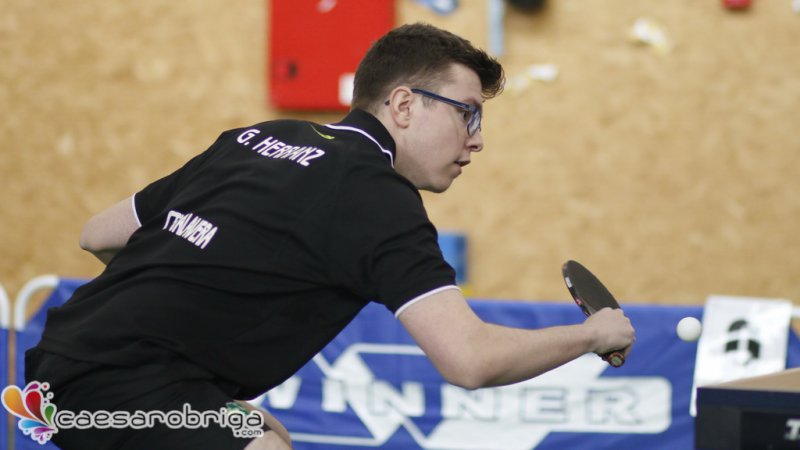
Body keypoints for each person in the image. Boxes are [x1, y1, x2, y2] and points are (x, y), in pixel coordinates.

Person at [26, 23, 634, 450]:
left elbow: (97, 235)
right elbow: (470, 359)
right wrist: (592, 334)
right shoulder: (378, 197)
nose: (477, 139)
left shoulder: (261, 137)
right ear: (404, 105)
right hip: (125, 388)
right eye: (466, 112)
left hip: (59, 362)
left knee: (263, 435)